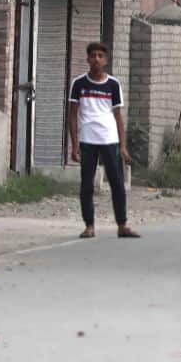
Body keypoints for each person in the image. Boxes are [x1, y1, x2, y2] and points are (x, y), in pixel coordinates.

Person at [68, 42, 138, 239]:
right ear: (88, 59)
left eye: (100, 56)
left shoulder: (113, 85)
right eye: (93, 56)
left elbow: (118, 117)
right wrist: (74, 145)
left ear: (106, 60)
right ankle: (89, 226)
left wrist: (123, 146)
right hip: (87, 139)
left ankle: (122, 225)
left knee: (117, 183)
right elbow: (73, 115)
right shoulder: (79, 84)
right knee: (87, 185)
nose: (96, 59)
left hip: (109, 139)